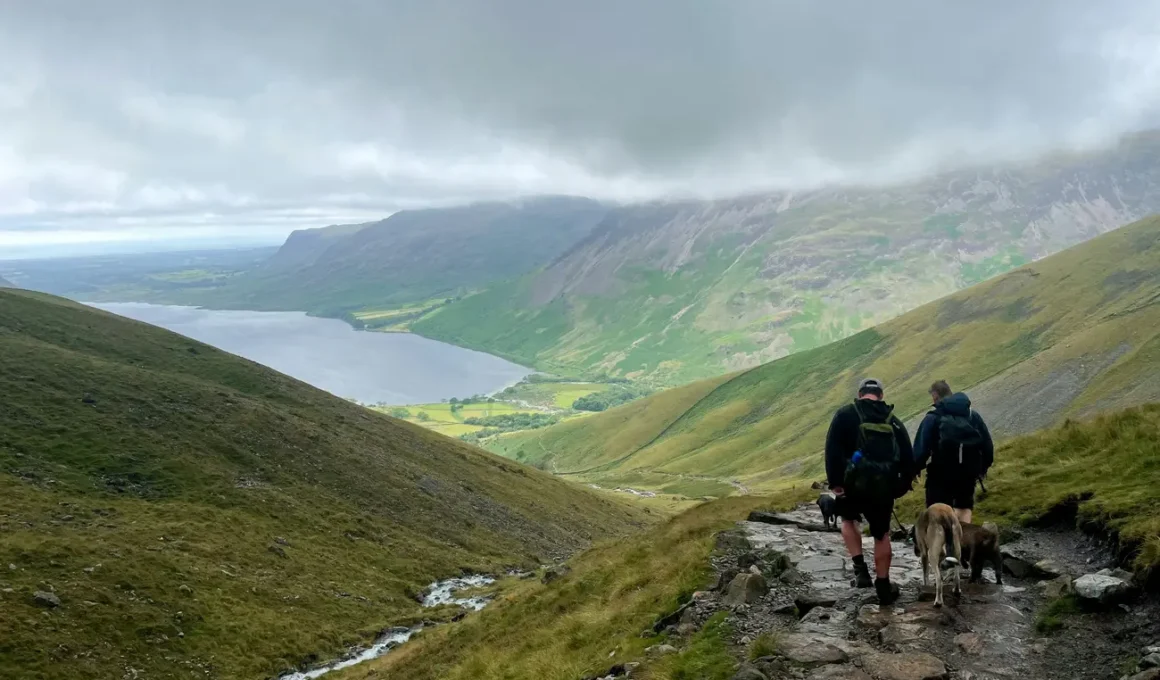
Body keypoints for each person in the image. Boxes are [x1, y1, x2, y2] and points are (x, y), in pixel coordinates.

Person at [825, 378, 916, 604]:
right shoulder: (893, 420)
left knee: (848, 521)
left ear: (860, 393)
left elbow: (832, 449)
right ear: (881, 395)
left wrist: (835, 482)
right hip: (883, 488)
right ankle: (883, 586)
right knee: (882, 534)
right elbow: (908, 457)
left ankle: (861, 572)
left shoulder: (845, 414)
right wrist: (900, 487)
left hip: (851, 485)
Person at [914, 380, 994, 524]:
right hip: (968, 473)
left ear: (935, 395)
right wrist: (981, 469)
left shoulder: (933, 417)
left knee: (938, 513)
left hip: (940, 474)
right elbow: (987, 446)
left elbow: (921, 449)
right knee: (963, 507)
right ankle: (963, 543)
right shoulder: (972, 415)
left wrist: (915, 469)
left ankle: (942, 544)